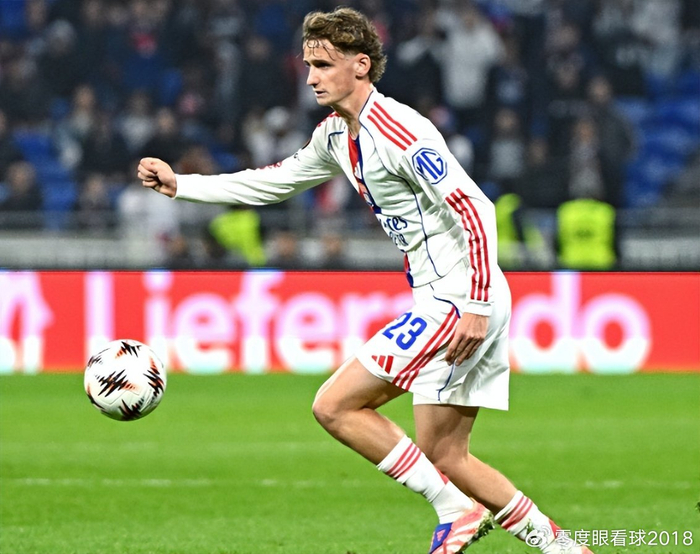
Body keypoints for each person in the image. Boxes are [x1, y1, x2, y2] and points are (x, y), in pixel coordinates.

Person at [138, 8, 594, 554]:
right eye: (308, 65)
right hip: (459, 296)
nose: (311, 77)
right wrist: (182, 185)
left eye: (323, 65)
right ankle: (563, 547)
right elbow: (274, 182)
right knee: (446, 455)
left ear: (360, 65)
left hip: (459, 297)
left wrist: (474, 304)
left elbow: (475, 207)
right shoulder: (335, 135)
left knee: (334, 406)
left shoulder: (400, 131)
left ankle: (455, 509)